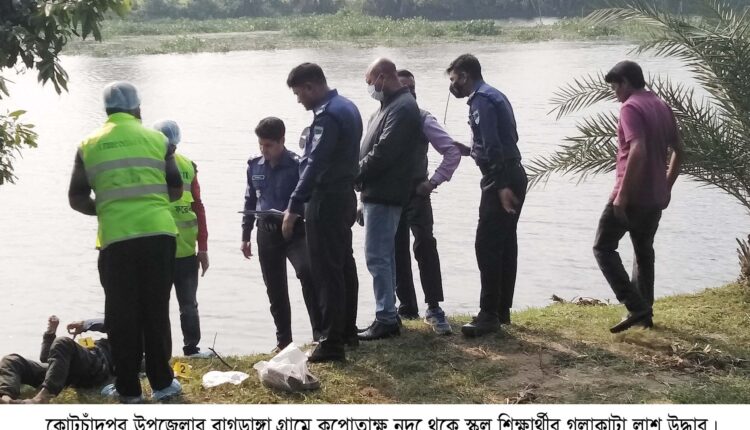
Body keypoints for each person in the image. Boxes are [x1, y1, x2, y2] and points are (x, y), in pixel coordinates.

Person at [68, 81, 183, 402]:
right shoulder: (159, 140)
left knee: (121, 315)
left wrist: (108, 208)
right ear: (137, 107)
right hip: (159, 235)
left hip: (117, 239)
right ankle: (162, 384)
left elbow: (76, 198)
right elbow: (175, 189)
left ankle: (129, 389)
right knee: (156, 310)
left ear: (107, 109)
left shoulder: (88, 145)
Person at [594, 60, 684, 333]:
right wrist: (666, 186)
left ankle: (635, 305)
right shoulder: (661, 105)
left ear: (625, 83)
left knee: (603, 247)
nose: (615, 94)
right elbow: (680, 150)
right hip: (655, 196)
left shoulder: (630, 108)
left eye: (615, 87)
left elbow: (638, 150)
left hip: (632, 195)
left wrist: (622, 196)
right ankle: (644, 315)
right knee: (643, 251)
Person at [282, 63, 362, 362]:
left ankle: (331, 342)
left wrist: (294, 205)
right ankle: (348, 331)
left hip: (326, 199)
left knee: (327, 271)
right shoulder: (348, 106)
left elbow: (315, 163)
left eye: (299, 93)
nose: (298, 100)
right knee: (343, 265)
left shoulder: (327, 115)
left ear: (311, 86)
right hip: (344, 196)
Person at [446, 54, 527, 338]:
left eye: (454, 79)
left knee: (487, 245)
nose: (453, 85)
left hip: (500, 178)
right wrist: (469, 150)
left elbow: (494, 145)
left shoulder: (481, 100)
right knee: (504, 243)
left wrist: (501, 185)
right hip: (511, 173)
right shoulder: (495, 94)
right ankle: (501, 309)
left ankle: (488, 315)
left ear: (465, 75)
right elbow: (505, 139)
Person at [241, 117, 323, 353]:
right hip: (266, 232)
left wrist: (294, 214)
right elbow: (250, 200)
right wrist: (245, 234)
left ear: (282, 141)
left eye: (269, 145)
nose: (264, 150)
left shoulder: (297, 165)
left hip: (294, 232)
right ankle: (284, 341)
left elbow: (308, 198)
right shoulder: (254, 165)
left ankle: (320, 334)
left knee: (307, 273)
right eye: (261, 144)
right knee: (275, 287)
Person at [356, 58, 422, 341]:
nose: (370, 87)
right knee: (385, 255)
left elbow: (384, 152)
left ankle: (385, 317)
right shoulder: (388, 106)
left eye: (370, 82)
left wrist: (354, 174)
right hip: (375, 192)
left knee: (377, 257)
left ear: (382, 77)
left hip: (386, 193)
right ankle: (389, 313)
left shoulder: (403, 107)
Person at [393, 69, 461, 335]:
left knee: (425, 246)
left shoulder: (423, 118)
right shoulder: (383, 118)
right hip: (390, 195)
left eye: (413, 88)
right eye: (404, 88)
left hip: (417, 193)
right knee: (396, 250)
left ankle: (434, 307)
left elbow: (451, 152)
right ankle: (406, 308)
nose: (410, 93)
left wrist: (433, 182)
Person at [152, 120, 212, 359]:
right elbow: (199, 208)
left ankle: (177, 351)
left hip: (171, 249)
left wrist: (203, 248)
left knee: (173, 305)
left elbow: (198, 206)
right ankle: (177, 351)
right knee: (175, 305)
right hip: (170, 249)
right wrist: (203, 247)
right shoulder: (183, 165)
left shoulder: (177, 166)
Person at [0, 316, 111, 404]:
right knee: (12, 360)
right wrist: (50, 334)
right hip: (62, 375)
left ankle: (43, 398)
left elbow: (112, 323)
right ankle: (6, 398)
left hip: (96, 368)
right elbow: (46, 359)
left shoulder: (119, 342)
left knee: (62, 342)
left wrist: (85, 324)